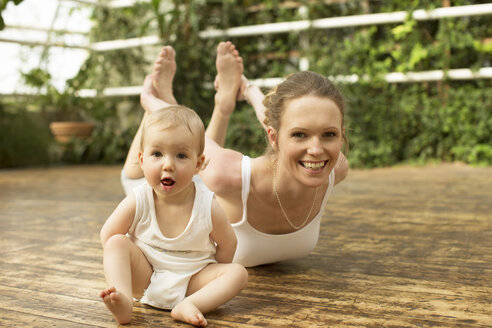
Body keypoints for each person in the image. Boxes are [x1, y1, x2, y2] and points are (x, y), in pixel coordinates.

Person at [133, 41, 349, 268]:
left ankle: (224, 97)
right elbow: (187, 140)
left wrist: (248, 89)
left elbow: (280, 119)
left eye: (328, 134)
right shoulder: (229, 175)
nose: (316, 150)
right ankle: (168, 99)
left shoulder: (336, 168)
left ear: (341, 136)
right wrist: (149, 100)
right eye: (299, 135)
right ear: (273, 138)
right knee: (140, 167)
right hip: (166, 188)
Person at [100, 101, 248, 326]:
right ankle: (123, 302)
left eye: (181, 156)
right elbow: (108, 236)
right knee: (116, 243)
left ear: (198, 164)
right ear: (142, 160)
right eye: (157, 154)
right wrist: (129, 263)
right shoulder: (139, 198)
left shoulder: (207, 205)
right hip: (147, 277)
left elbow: (229, 244)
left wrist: (212, 277)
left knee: (237, 273)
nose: (168, 165)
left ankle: (192, 304)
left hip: (193, 280)